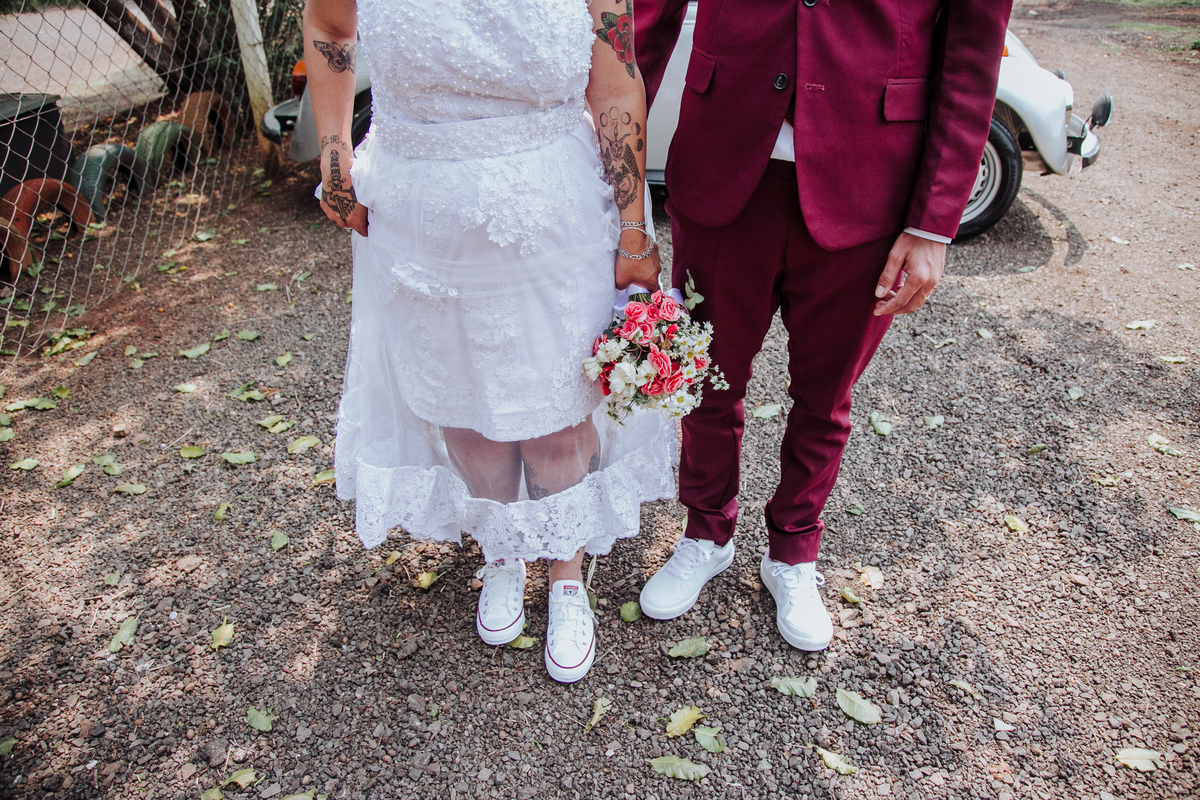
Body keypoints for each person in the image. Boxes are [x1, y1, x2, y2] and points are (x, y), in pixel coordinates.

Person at [304, 0, 674, 683]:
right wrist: (334, 157)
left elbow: (616, 83)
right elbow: (329, 27)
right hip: (419, 223)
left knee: (557, 417)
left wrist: (632, 228)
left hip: (553, 218)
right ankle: (502, 548)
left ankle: (566, 569)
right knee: (463, 411)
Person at [634, 0, 1014, 649]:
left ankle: (793, 550)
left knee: (826, 395)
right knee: (705, 380)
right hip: (723, 153)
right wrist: (611, 169)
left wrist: (933, 224)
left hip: (871, 178)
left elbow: (971, 52)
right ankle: (706, 531)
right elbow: (644, 19)